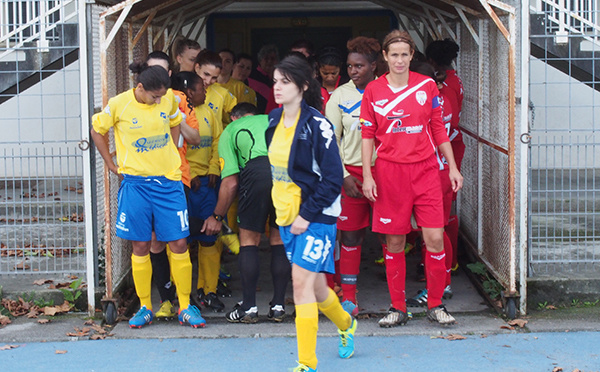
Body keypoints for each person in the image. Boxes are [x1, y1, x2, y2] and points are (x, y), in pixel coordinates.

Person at [360, 30, 463, 327]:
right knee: (394, 242)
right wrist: (368, 175)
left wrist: (453, 167)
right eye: (394, 54)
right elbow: (367, 135)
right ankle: (397, 307)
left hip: (427, 170)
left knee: (433, 238)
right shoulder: (374, 90)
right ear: (385, 56)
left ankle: (435, 304)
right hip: (390, 172)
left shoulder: (427, 86)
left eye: (405, 54)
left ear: (412, 56)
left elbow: (438, 129)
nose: (400, 60)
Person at [91, 63, 204, 328]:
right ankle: (145, 306)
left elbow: (176, 121)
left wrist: (173, 154)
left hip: (168, 183)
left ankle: (185, 306)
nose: (158, 100)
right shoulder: (119, 104)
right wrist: (110, 164)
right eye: (154, 96)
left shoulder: (167, 100)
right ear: (139, 88)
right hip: (136, 185)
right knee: (140, 245)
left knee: (178, 243)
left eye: (161, 95)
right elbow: (97, 130)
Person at [266, 54, 357, 372]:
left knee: (300, 285)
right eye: (275, 81)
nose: (277, 87)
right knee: (318, 288)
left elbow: (333, 179)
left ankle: (307, 363)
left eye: (285, 82)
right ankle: (346, 323)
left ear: (303, 86)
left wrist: (307, 214)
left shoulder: (318, 125)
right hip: (286, 218)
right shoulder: (274, 121)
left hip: (315, 218)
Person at [202, 103, 291, 323]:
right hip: (286, 173)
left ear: (234, 118)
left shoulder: (230, 130)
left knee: (249, 239)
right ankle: (278, 306)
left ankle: (249, 307)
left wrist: (217, 217)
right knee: (279, 238)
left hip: (257, 171)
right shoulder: (272, 120)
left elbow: (231, 183)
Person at [143, 52, 203, 323]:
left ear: (170, 74)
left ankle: (185, 302)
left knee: (178, 240)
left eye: (162, 70)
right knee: (154, 241)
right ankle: (165, 300)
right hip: (145, 180)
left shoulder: (179, 99)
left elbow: (196, 137)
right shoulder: (134, 101)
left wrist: (176, 117)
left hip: (177, 178)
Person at [325, 36, 380, 315]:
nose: (353, 71)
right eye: (349, 66)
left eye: (359, 65)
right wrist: (344, 175)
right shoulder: (339, 96)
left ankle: (398, 300)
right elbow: (330, 139)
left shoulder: (388, 91)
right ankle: (349, 297)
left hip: (385, 172)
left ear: (373, 65)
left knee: (392, 236)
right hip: (352, 174)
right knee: (350, 236)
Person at [403, 61, 456, 307]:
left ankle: (441, 284)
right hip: (438, 169)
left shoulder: (427, 100)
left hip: (433, 171)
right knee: (434, 231)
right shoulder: (441, 96)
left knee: (434, 232)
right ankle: (441, 282)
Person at [426, 39, 465, 272]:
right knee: (443, 211)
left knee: (442, 215)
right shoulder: (454, 79)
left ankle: (448, 266)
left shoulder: (443, 91)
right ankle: (447, 263)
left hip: (446, 150)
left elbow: (443, 126)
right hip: (450, 144)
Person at [194, 49, 238, 129]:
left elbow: (240, 115)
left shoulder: (222, 93)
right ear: (197, 68)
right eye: (206, 74)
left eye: (214, 78)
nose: (208, 81)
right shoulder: (183, 90)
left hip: (216, 141)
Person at [248, 44, 279, 113]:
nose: (269, 61)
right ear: (260, 60)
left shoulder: (278, 78)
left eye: (272, 59)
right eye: (266, 58)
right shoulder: (252, 76)